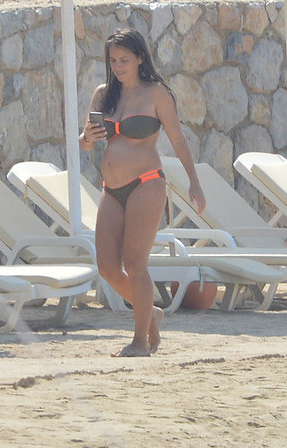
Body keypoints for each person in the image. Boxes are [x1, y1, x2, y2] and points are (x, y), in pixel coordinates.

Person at [80, 29, 206, 357]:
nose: (118, 66)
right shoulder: (103, 94)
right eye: (113, 60)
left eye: (124, 59)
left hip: (146, 183)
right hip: (111, 188)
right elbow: (85, 142)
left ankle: (140, 341)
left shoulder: (156, 93)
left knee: (135, 263)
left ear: (139, 58)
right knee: (107, 267)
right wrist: (88, 137)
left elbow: (178, 139)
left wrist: (194, 182)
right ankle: (150, 312)